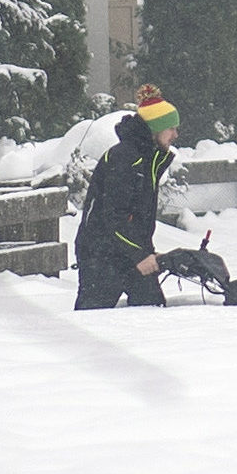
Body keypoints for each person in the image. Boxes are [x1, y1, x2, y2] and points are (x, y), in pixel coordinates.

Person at [73, 87, 179, 309]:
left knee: (152, 310)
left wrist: (146, 252)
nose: (175, 135)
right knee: (93, 318)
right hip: (100, 253)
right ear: (155, 128)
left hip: (129, 252)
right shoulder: (125, 158)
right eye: (171, 128)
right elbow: (114, 217)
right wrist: (140, 255)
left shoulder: (148, 159)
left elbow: (137, 217)